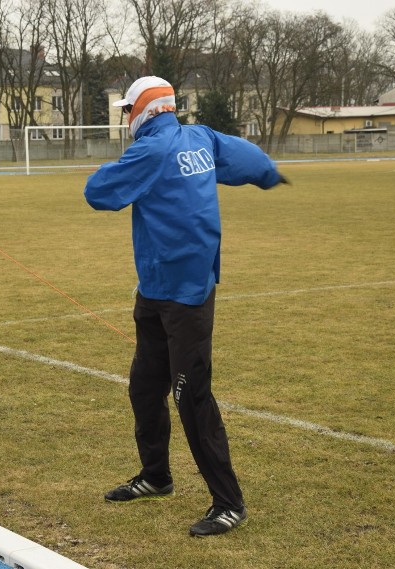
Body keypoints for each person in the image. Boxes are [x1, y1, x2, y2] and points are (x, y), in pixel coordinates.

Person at [83, 76, 287, 537]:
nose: (124, 118)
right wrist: (269, 175)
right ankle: (156, 477)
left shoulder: (151, 151)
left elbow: (98, 193)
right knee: (144, 386)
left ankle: (229, 503)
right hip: (155, 287)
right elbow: (249, 158)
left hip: (186, 295)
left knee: (190, 396)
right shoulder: (201, 137)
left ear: (144, 110)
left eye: (126, 110)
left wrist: (128, 165)